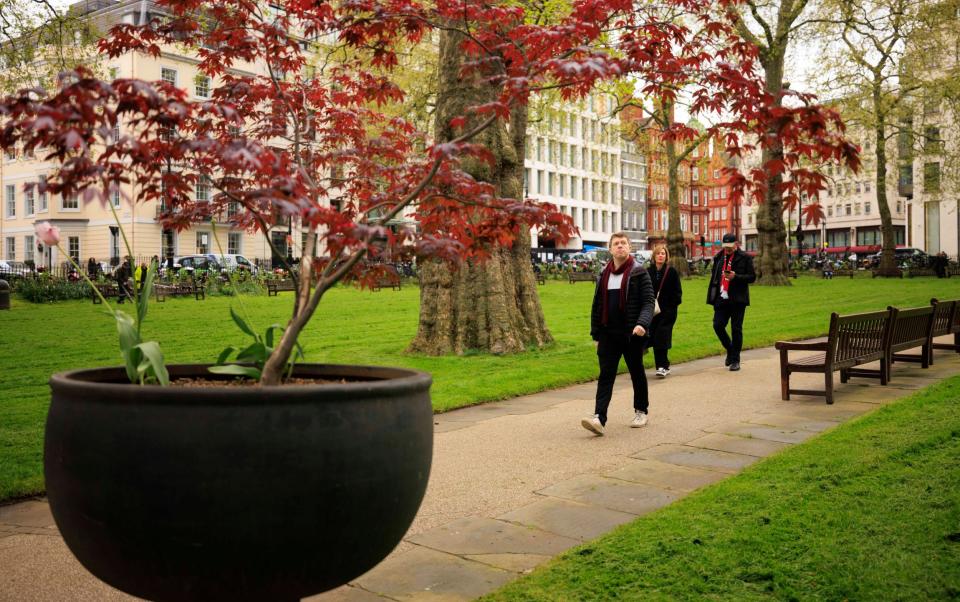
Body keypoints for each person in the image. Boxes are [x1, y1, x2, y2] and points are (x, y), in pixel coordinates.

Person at [582, 232, 656, 436]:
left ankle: (641, 411)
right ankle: (599, 418)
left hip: (631, 333)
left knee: (636, 372)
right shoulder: (603, 274)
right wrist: (596, 334)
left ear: (629, 248)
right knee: (606, 375)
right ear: (610, 249)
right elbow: (597, 305)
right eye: (616, 244)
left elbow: (649, 302)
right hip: (608, 333)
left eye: (624, 243)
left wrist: (642, 324)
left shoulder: (639, 272)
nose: (620, 246)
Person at [707, 233, 756, 371]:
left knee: (736, 329)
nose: (727, 249)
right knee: (717, 325)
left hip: (738, 299)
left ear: (736, 244)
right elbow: (714, 277)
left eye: (729, 247)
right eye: (725, 247)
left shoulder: (745, 257)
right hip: (722, 298)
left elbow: (752, 277)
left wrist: (736, 276)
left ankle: (735, 360)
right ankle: (730, 349)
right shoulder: (719, 257)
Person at [647, 244, 682, 378]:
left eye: (663, 253)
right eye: (658, 253)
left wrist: (671, 306)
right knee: (655, 337)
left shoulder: (671, 272)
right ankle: (663, 365)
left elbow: (678, 293)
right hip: (653, 311)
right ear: (654, 256)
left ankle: (662, 366)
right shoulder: (648, 271)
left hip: (668, 312)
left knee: (661, 337)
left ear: (666, 256)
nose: (661, 255)